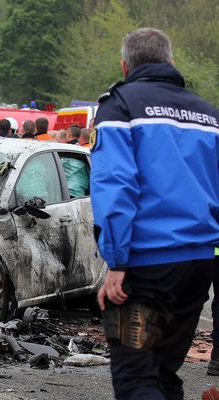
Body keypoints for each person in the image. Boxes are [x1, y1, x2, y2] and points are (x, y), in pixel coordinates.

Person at [92, 28, 219, 399]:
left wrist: (116, 263)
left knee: (134, 375)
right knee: (164, 373)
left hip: (144, 270)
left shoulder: (120, 106)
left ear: (125, 65)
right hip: (197, 267)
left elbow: (115, 187)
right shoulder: (207, 114)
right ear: (171, 62)